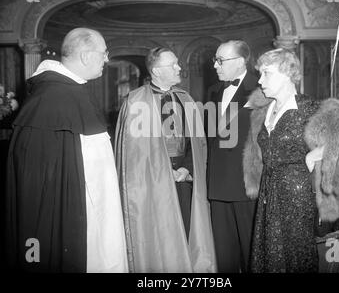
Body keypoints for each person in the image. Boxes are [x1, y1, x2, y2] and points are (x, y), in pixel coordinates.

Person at [6, 28, 128, 272]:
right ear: (85, 56)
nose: (106, 59)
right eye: (104, 53)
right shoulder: (55, 96)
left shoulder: (70, 90)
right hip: (74, 217)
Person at [242, 48, 339, 272]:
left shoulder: (310, 109)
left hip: (298, 196)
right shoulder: (263, 110)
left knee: (295, 255)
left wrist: (313, 156)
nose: (260, 80)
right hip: (268, 193)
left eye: (266, 73)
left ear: (288, 72)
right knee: (267, 252)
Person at [114, 47, 216, 272]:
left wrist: (187, 169)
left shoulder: (186, 98)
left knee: (188, 229)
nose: (179, 67)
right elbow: (134, 151)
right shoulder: (135, 101)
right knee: (160, 234)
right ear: (157, 71)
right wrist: (163, 171)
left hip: (184, 178)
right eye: (173, 64)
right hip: (151, 180)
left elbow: (196, 142)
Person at [206, 40, 258, 272]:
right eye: (215, 60)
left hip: (246, 185)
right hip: (217, 183)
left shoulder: (261, 88)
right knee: (223, 253)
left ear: (240, 62)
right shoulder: (213, 91)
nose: (215, 65)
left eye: (220, 60)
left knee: (251, 251)